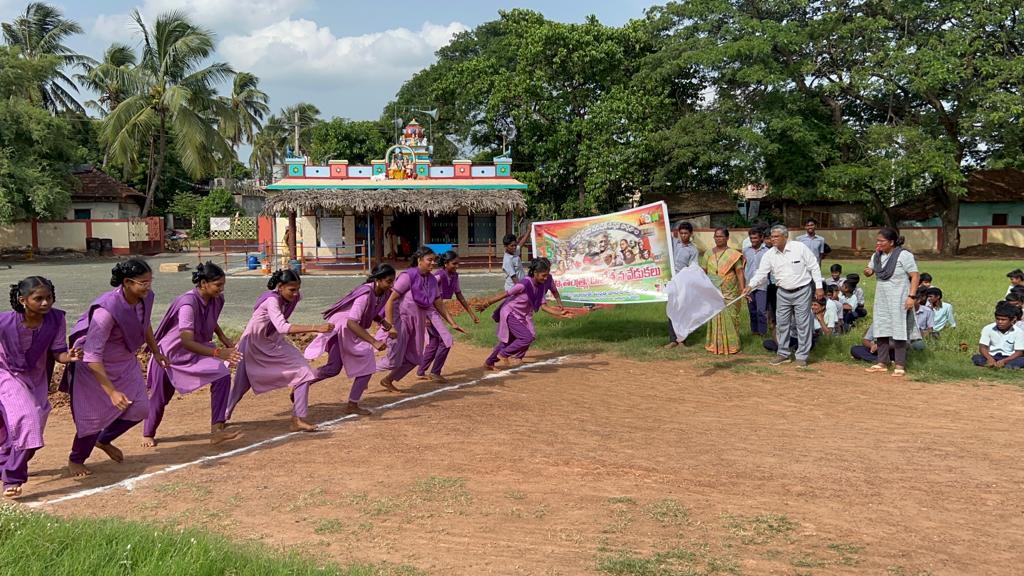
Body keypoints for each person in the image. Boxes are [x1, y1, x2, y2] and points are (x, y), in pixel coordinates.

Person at [64, 259, 169, 477]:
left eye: (150, 281)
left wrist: (156, 350)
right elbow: (92, 355)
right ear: (127, 282)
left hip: (124, 360)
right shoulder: (106, 311)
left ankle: (104, 440)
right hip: (94, 366)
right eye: (143, 282)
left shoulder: (145, 298)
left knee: (140, 408)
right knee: (93, 417)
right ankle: (76, 459)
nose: (148, 286)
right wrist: (111, 392)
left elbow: (145, 322)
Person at [143, 262, 242, 448]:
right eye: (218, 285)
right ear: (204, 283)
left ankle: (217, 429)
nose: (221, 289)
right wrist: (219, 352)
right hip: (169, 356)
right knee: (160, 397)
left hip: (196, 351)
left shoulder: (217, 300)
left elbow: (210, 320)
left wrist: (224, 338)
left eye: (223, 285)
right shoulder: (187, 304)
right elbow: (186, 341)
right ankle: (148, 432)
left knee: (221, 375)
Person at [0, 277, 82, 497]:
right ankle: (12, 478)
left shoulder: (56, 319)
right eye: (39, 299)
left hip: (36, 377)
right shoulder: (4, 322)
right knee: (29, 421)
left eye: (49, 298)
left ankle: (4, 464)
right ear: (23, 300)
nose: (46, 303)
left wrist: (69, 357)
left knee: (32, 427)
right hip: (6, 374)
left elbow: (59, 352)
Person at [227, 270, 333, 432]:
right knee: (241, 385)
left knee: (304, 371)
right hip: (253, 343)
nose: (295, 293)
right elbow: (282, 327)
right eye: (292, 289)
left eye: (297, 289)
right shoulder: (271, 300)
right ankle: (222, 417)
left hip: (273, 341)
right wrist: (316, 327)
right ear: (281, 287)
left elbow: (280, 326)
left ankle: (297, 418)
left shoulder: (294, 297)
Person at [304, 265, 397, 416]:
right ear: (378, 280)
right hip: (343, 328)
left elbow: (370, 311)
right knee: (363, 364)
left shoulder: (383, 292)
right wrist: (374, 341)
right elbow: (351, 322)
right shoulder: (366, 294)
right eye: (389, 281)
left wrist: (383, 322)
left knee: (334, 368)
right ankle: (350, 403)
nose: (391, 285)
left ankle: (304, 382)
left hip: (349, 329)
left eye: (393, 281)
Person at [378, 247, 465, 392]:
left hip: (417, 322)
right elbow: (390, 300)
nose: (432, 263)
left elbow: (438, 303)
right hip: (401, 322)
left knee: (414, 358)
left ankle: (388, 380)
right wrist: (390, 325)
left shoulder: (431, 280)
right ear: (419, 260)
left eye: (434, 260)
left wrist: (452, 323)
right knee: (394, 359)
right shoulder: (408, 276)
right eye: (429, 260)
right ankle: (363, 372)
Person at [744, 225, 824, 368]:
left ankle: (802, 356)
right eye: (771, 237)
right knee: (781, 324)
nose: (772, 239)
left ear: (785, 237)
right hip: (782, 292)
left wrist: (818, 286)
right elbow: (761, 273)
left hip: (802, 290)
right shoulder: (769, 254)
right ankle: (783, 353)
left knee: (802, 324)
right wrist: (750, 286)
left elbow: (814, 266)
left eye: (776, 236)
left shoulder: (799, 248)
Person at [476, 257, 570, 370]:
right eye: (543, 275)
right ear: (535, 273)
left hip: (519, 315)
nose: (546, 278)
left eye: (547, 275)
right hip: (509, 313)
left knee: (507, 341)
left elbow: (544, 306)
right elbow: (506, 294)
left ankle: (489, 362)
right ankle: (504, 354)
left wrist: (559, 314)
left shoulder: (540, 287)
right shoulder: (524, 284)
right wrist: (487, 303)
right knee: (527, 337)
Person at [863, 227, 920, 377]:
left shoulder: (904, 255)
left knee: (898, 330)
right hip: (882, 298)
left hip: (899, 297)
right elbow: (870, 270)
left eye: (881, 241)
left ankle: (900, 365)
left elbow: (915, 276)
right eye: (877, 241)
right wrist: (868, 272)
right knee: (881, 328)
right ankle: (882, 362)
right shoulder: (877, 256)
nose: (878, 243)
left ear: (892, 242)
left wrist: (911, 297)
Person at [418, 251, 480, 382]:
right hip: (432, 311)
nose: (457, 266)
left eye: (458, 263)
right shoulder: (438, 276)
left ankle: (421, 369)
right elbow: (425, 293)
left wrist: (471, 313)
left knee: (435, 341)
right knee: (445, 340)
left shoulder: (455, 276)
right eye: (454, 263)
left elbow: (459, 295)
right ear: (445, 264)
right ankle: (435, 372)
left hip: (438, 311)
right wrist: (425, 316)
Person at [701, 228, 746, 354]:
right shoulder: (708, 253)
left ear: (727, 238)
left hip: (730, 291)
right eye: (716, 236)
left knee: (731, 317)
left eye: (721, 236)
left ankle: (732, 346)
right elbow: (703, 271)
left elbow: (739, 272)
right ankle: (715, 345)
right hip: (713, 290)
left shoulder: (733, 254)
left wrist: (743, 289)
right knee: (715, 316)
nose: (718, 238)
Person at [665, 221, 699, 348]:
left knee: (683, 310)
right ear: (678, 233)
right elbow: (664, 232)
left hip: (683, 283)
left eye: (686, 233)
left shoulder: (693, 250)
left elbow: (693, 267)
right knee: (671, 310)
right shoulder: (673, 243)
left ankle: (682, 340)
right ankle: (673, 339)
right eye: (681, 233)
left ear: (690, 234)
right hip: (670, 282)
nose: (683, 235)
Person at [972, 302, 1024, 369]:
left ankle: (1004, 365)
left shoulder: (1018, 332)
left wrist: (1005, 361)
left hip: (1009, 357)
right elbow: (982, 347)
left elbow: (1019, 352)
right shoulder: (988, 328)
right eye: (998, 319)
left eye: (1003, 320)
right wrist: (989, 358)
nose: (1000, 322)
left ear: (1012, 320)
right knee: (977, 358)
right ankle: (994, 364)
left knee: (1021, 360)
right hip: (992, 355)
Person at [850, 321, 925, 363]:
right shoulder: (877, 322)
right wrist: (872, 346)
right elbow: (865, 340)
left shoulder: (901, 324)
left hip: (893, 350)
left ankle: (881, 360)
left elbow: (907, 344)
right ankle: (880, 360)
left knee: (901, 353)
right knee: (855, 349)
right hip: (877, 349)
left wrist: (888, 346)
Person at [743, 228, 769, 337]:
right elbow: (743, 267)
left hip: (762, 285)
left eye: (755, 238)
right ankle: (754, 331)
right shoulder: (746, 251)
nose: (753, 240)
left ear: (761, 238)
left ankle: (763, 332)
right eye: (751, 238)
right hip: (749, 285)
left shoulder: (767, 251)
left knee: (761, 311)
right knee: (752, 310)